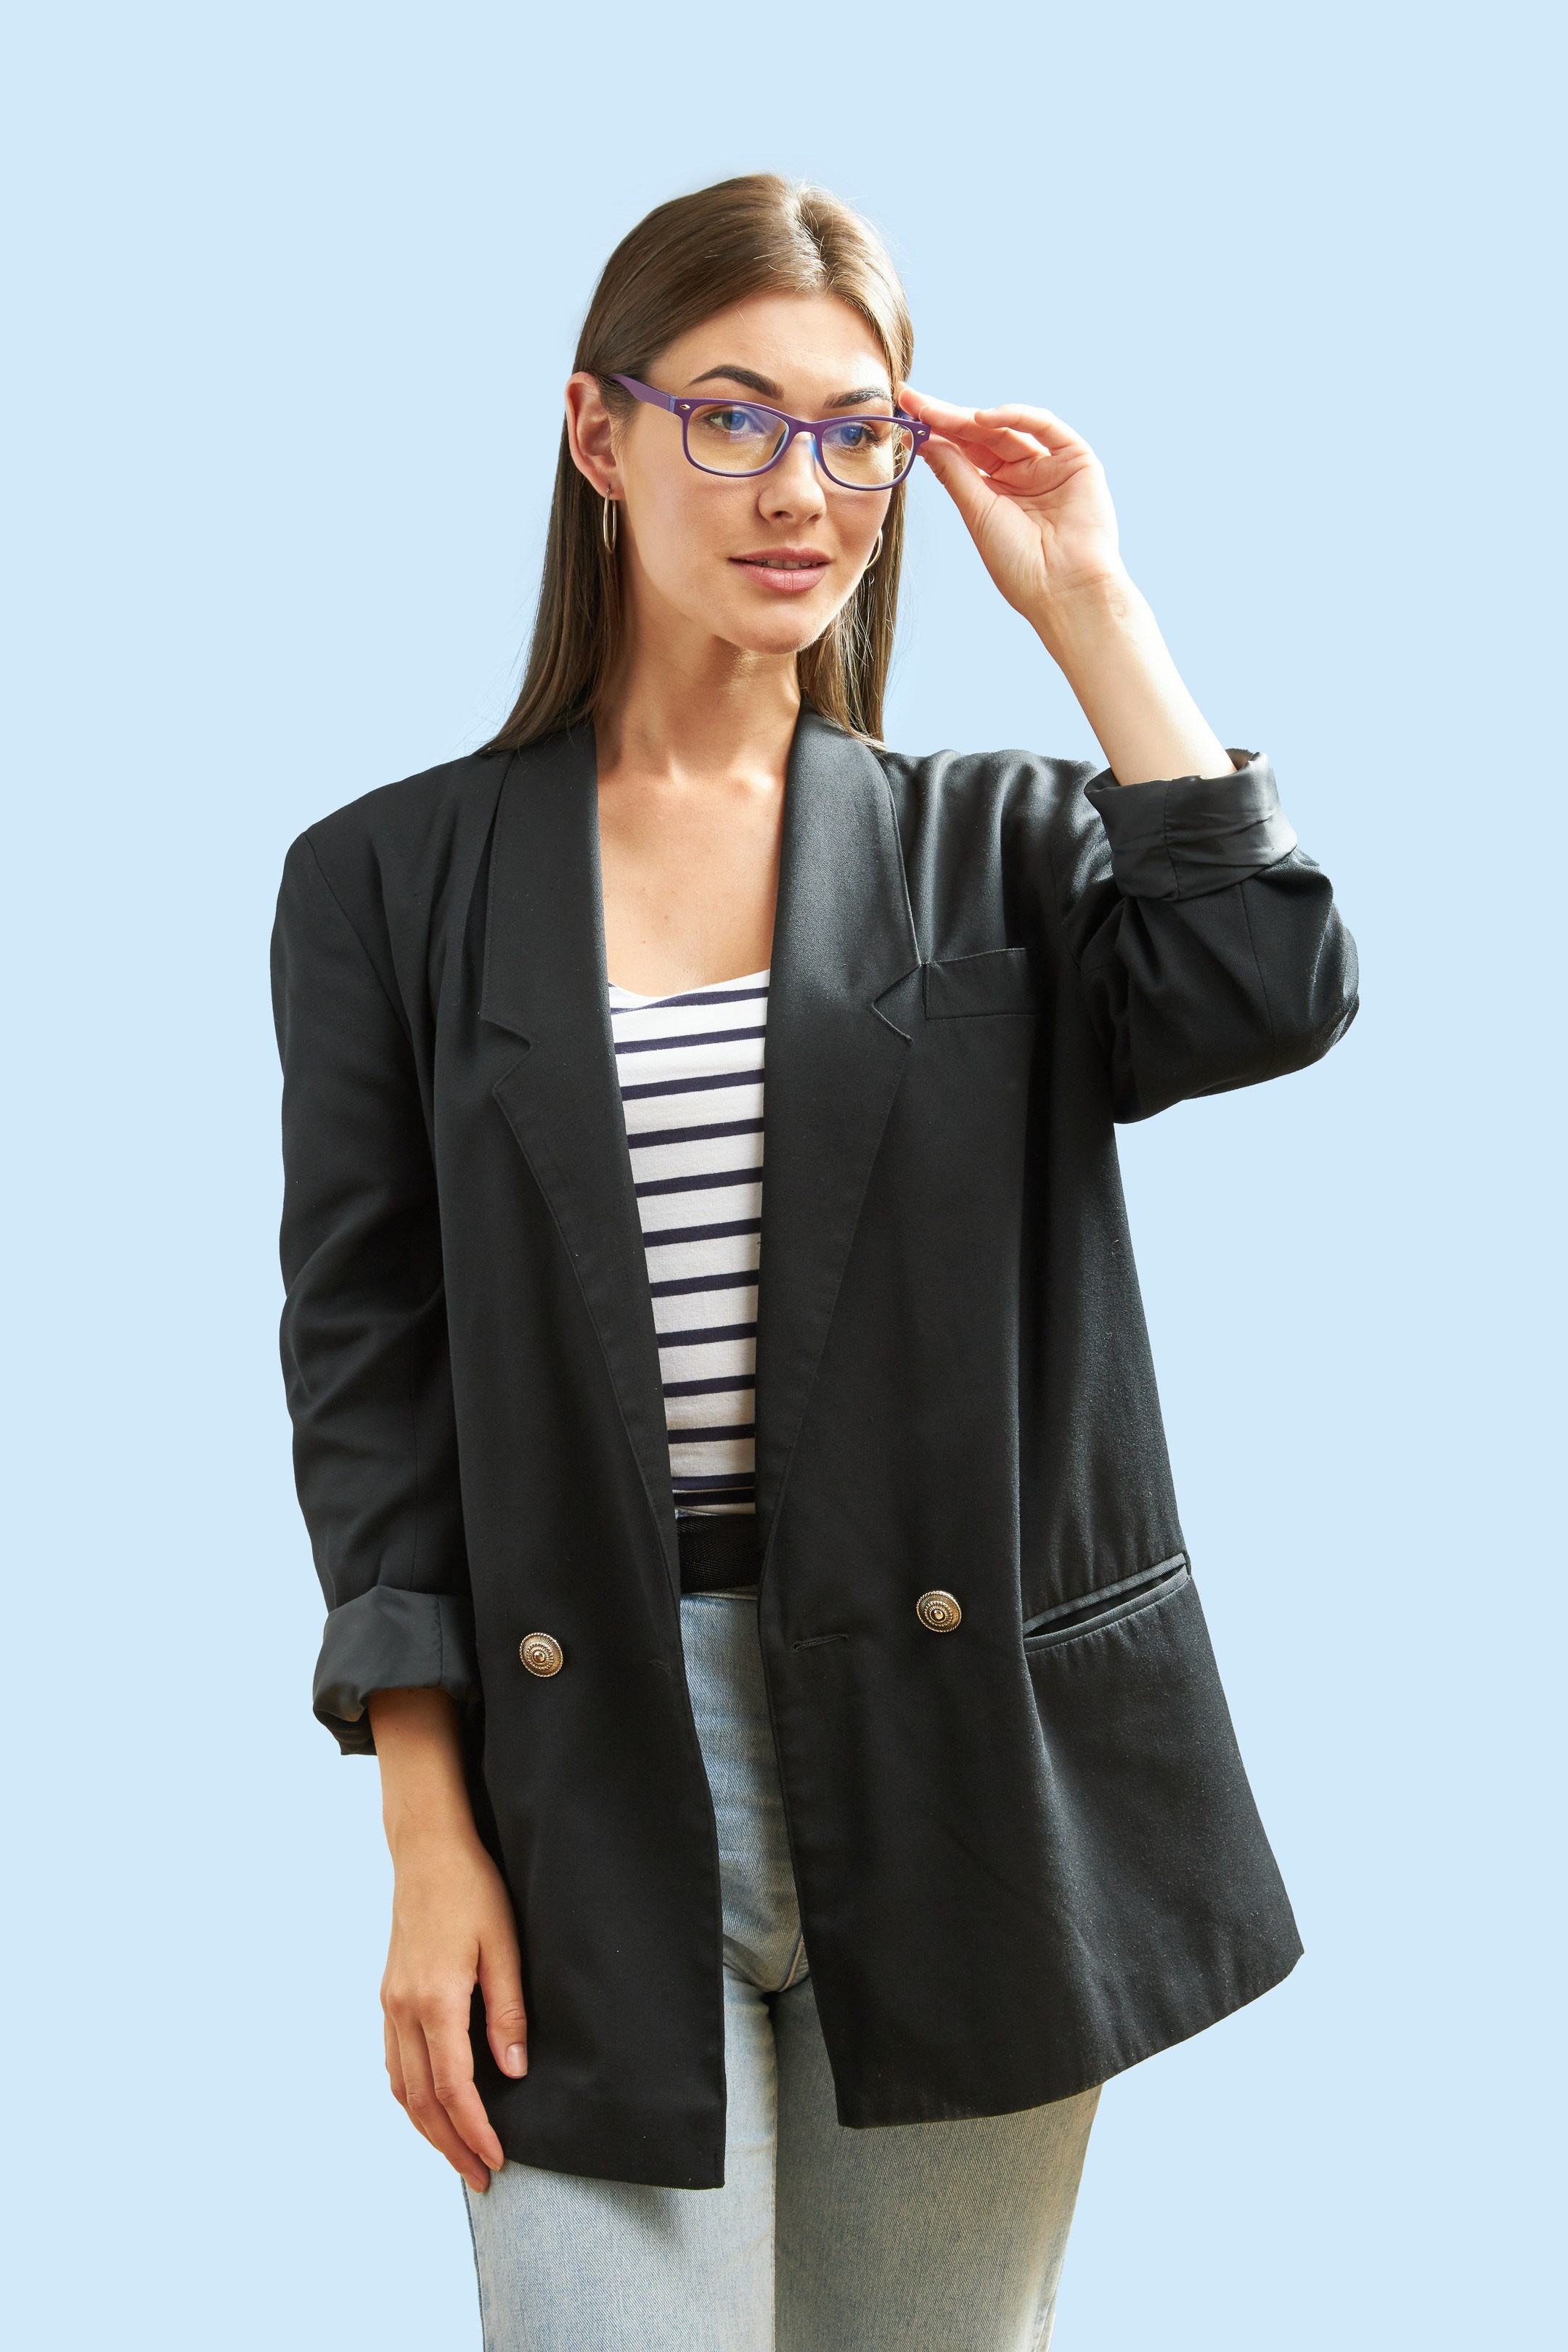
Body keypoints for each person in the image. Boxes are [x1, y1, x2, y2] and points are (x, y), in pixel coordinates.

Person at [271, 173, 1357, 2351]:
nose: (804, 489)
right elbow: (368, 1369)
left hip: (963, 1759)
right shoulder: (388, 880)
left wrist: (1091, 607)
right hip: (579, 1766)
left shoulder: (1000, 845)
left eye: (858, 431)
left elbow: (1259, 988)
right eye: (735, 419)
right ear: (600, 438)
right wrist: (424, 1827)